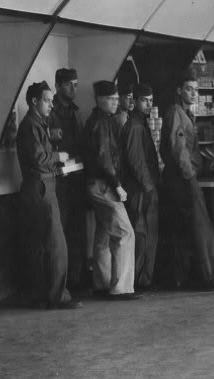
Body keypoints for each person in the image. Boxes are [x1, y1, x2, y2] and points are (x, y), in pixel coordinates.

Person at [17, 81, 81, 310]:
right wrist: (59, 156)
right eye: (47, 100)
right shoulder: (30, 126)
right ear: (34, 102)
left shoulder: (37, 124)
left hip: (41, 186)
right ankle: (57, 296)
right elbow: (38, 158)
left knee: (43, 245)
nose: (51, 105)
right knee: (56, 244)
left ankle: (44, 294)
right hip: (41, 189)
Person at [160, 76, 214, 289]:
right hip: (183, 179)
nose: (194, 93)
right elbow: (178, 149)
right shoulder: (176, 114)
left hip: (181, 178)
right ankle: (210, 277)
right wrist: (190, 179)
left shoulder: (184, 114)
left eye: (196, 90)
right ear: (179, 90)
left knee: (186, 230)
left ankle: (189, 277)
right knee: (200, 227)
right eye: (189, 89)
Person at [82, 81, 138, 300]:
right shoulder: (102, 123)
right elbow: (105, 159)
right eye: (112, 98)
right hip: (104, 185)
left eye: (117, 98)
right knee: (125, 232)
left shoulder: (97, 120)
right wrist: (118, 186)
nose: (116, 102)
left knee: (104, 234)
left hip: (95, 183)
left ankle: (102, 283)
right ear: (99, 100)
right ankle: (121, 288)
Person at [48, 67, 87, 288]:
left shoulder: (75, 111)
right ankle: (62, 282)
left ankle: (76, 278)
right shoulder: (50, 112)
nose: (73, 88)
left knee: (77, 230)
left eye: (76, 84)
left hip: (76, 177)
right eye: (69, 84)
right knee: (60, 229)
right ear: (58, 86)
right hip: (59, 179)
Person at [120, 83, 160, 289]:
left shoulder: (140, 124)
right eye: (145, 100)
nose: (149, 104)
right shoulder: (134, 127)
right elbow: (136, 161)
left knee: (145, 234)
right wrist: (149, 187)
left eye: (151, 101)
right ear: (134, 101)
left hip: (144, 188)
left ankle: (143, 279)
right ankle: (137, 280)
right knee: (141, 235)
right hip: (140, 190)